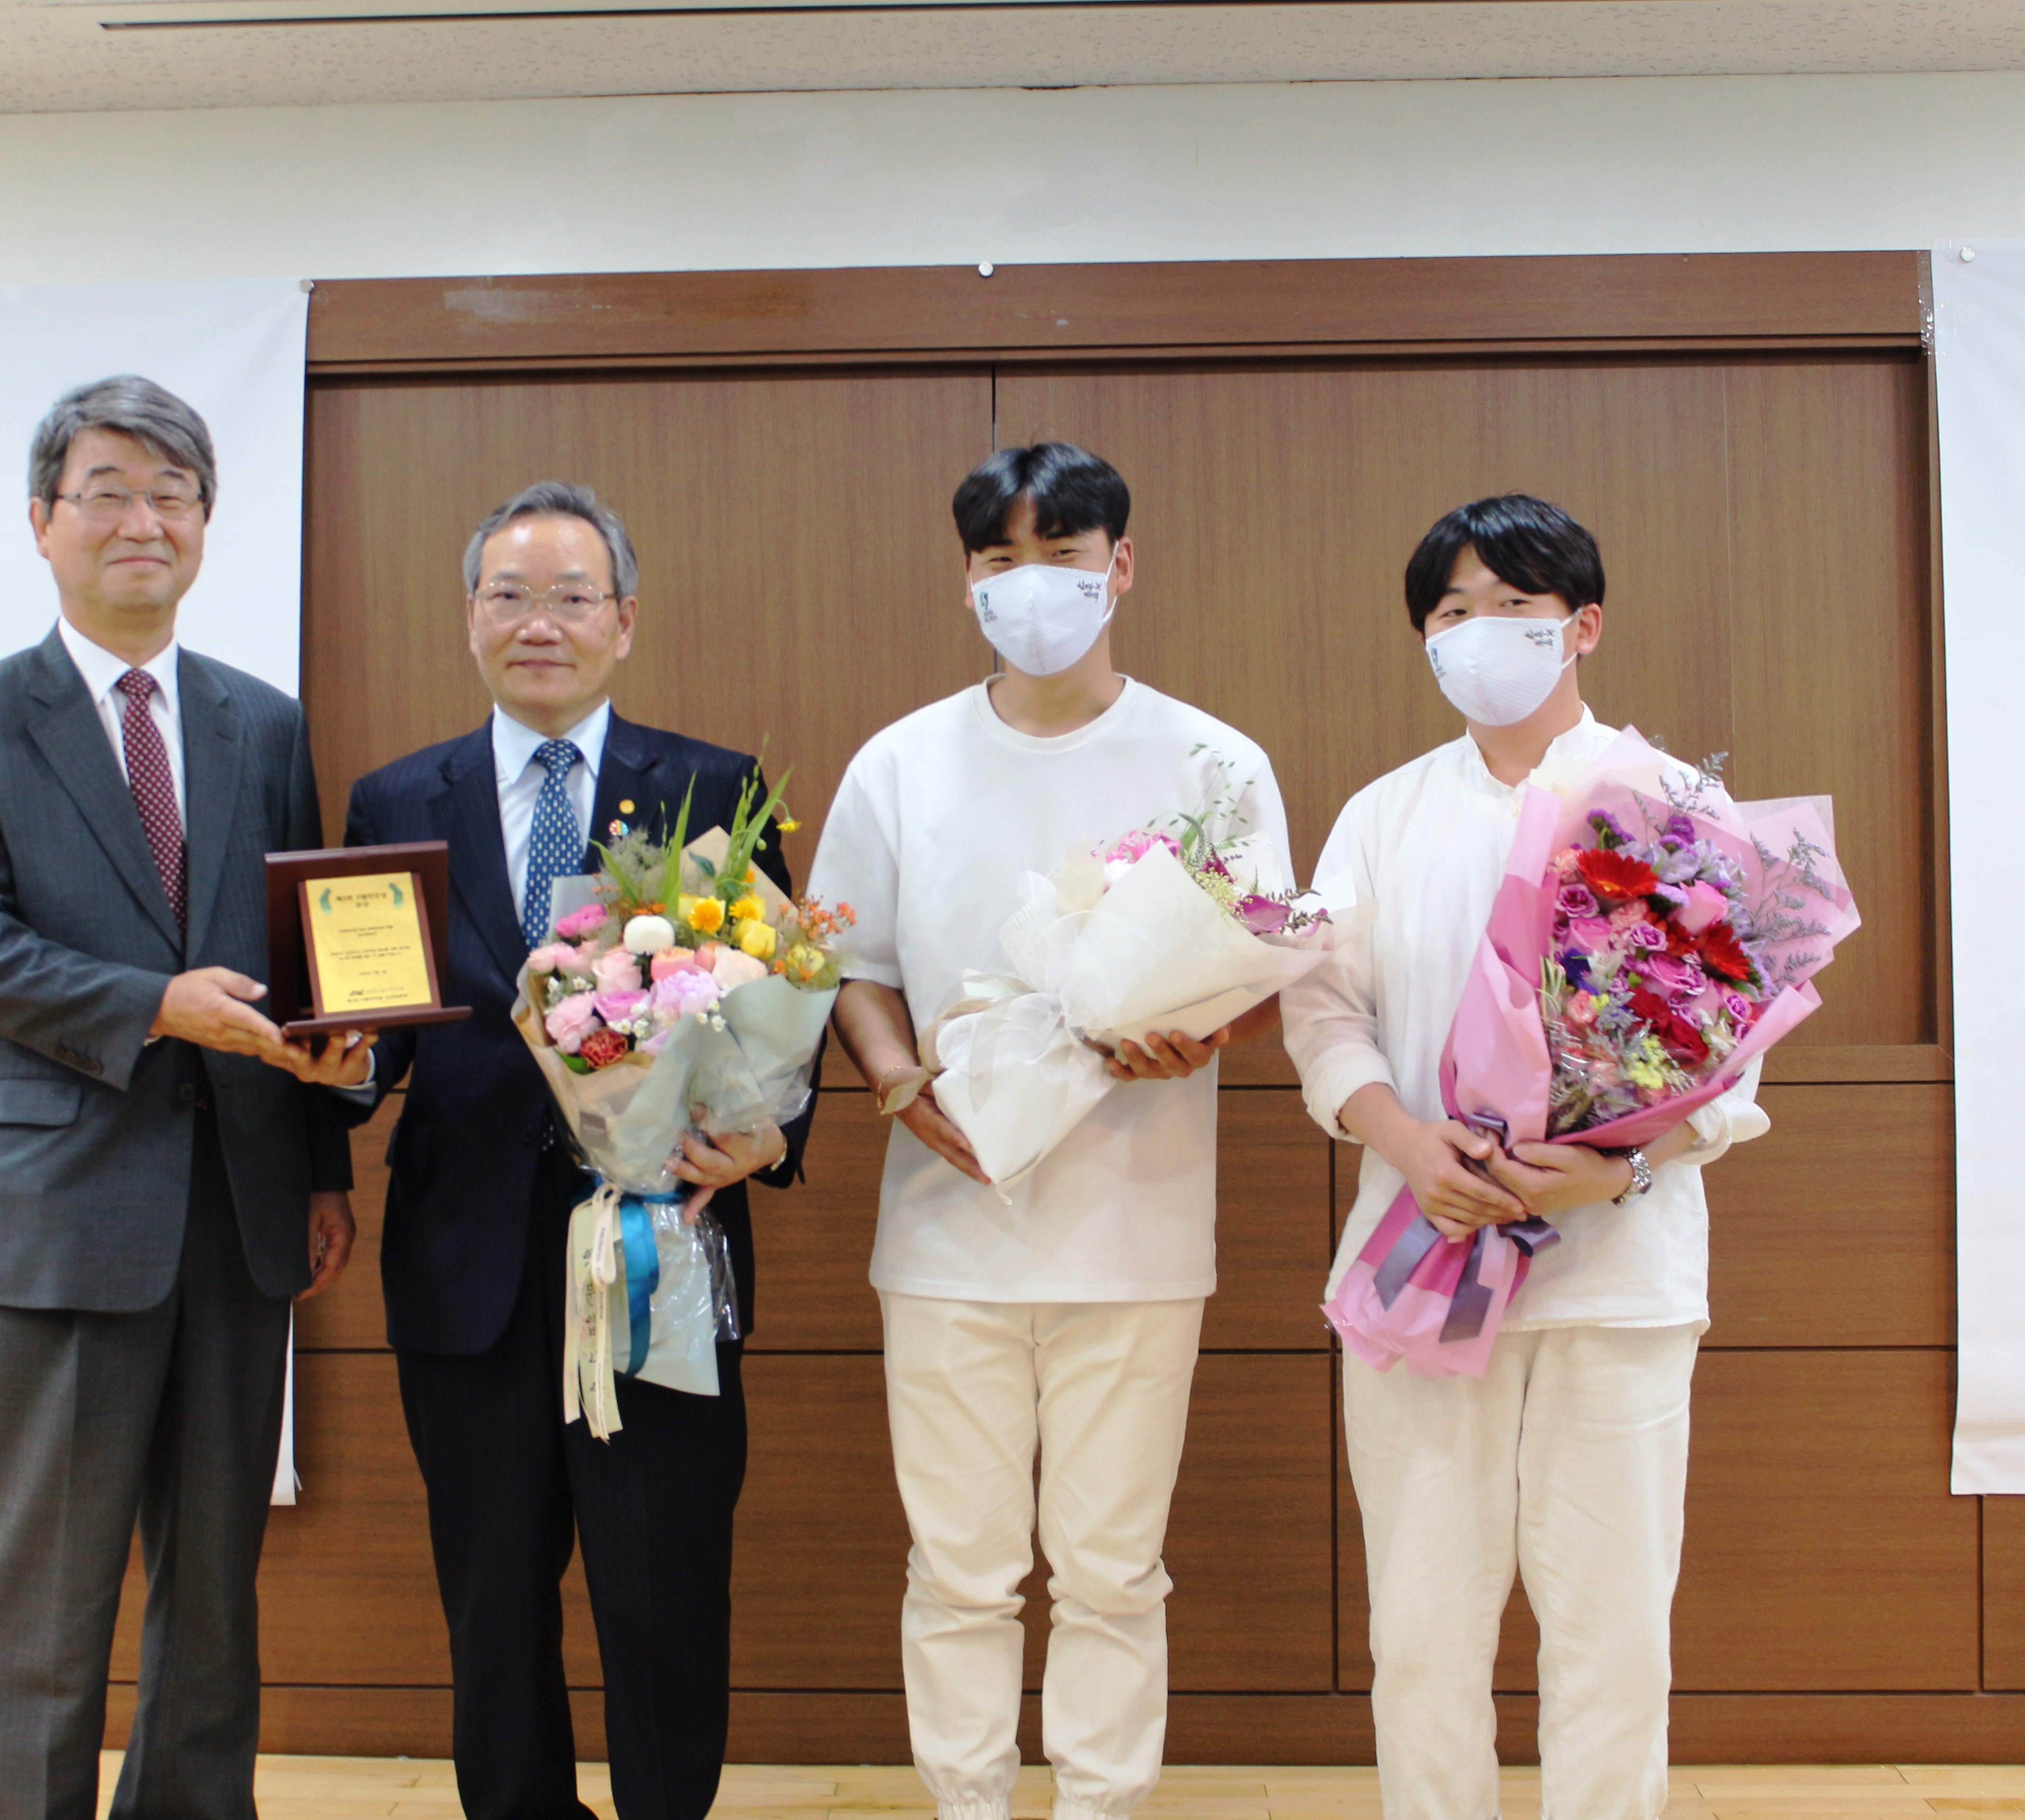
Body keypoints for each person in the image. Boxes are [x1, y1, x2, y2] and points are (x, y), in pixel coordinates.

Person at [0, 375, 376, 1820]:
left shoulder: (261, 724)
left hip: (240, 1218)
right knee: (39, 1596)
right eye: (106, 491)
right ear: (44, 521)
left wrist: (326, 1154)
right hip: (62, 1214)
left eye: (172, 495)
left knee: (215, 1590)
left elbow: (301, 961)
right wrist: (152, 1008)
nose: (141, 521)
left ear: (208, 528)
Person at [806, 443, 1293, 1820]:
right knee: (956, 1569)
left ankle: (1101, 1805)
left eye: (1065, 556)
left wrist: (1198, 1030)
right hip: (949, 1224)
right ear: (967, 579)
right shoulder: (903, 762)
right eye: (1003, 559)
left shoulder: (1212, 761)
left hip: (1137, 1231)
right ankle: (966, 1805)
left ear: (1121, 566)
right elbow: (853, 963)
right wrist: (903, 1088)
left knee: (1113, 1570)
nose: (1036, 587)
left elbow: (1270, 967)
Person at [1281, 494, 1771, 1820]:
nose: (1478, 634)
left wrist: (1618, 1166)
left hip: (1615, 1275)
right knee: (1423, 1629)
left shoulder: (1673, 804)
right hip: (1422, 1252)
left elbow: (1729, 1055)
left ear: (1583, 627)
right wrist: (1398, 1137)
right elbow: (1321, 1007)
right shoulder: (1384, 814)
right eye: (1451, 613)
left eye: (1511, 608)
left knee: (1613, 1632)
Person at [330, 481, 809, 1820]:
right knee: (492, 1598)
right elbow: (383, 1039)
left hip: (662, 1246)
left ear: (625, 620)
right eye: (509, 596)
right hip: (467, 1264)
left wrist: (760, 1137)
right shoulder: (393, 799)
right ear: (471, 617)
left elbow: (783, 995)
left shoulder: (717, 787)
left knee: (663, 1588)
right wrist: (344, 1070)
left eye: (571, 596)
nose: (539, 623)